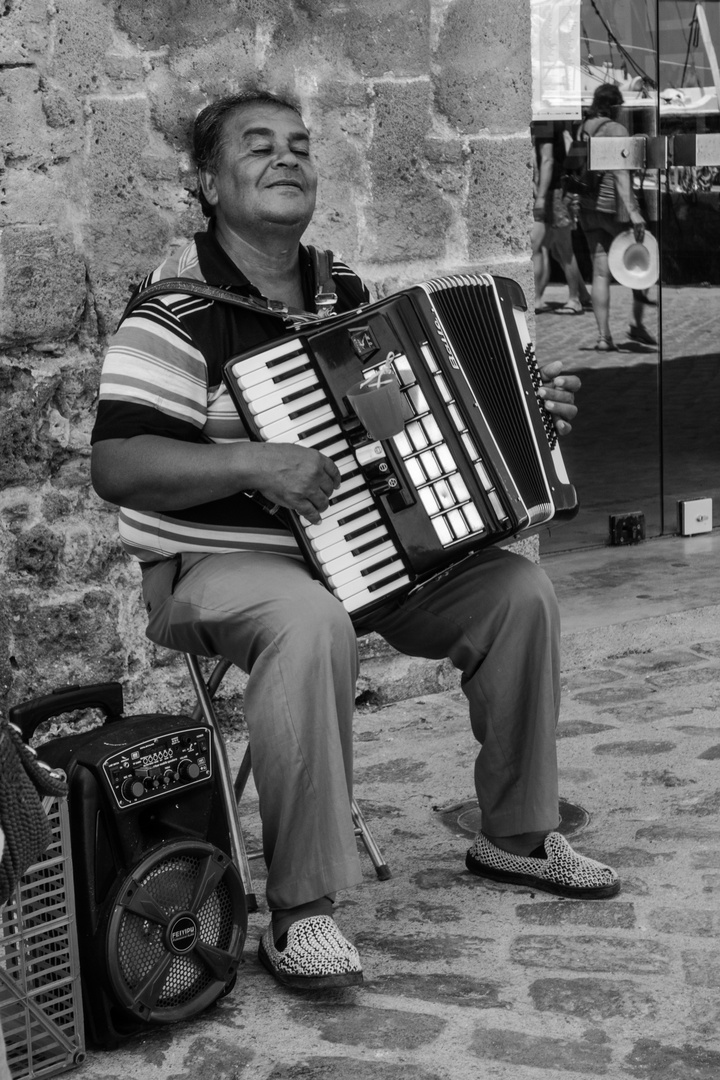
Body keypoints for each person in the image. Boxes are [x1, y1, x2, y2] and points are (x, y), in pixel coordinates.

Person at [90, 88, 620, 992]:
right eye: (256, 147)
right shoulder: (172, 315)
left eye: (298, 144)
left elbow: (411, 437)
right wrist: (256, 462)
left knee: (517, 593)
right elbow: (119, 463)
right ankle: (301, 912)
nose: (285, 157)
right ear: (206, 184)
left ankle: (518, 837)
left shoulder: (350, 300)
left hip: (369, 552)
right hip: (215, 569)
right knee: (308, 623)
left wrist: (525, 419)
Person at [576, 83, 656, 352]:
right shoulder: (617, 129)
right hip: (614, 208)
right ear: (615, 105)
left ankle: (603, 337)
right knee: (642, 260)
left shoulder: (583, 128)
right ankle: (636, 323)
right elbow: (621, 174)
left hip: (587, 208)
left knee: (600, 273)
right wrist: (634, 213)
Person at [532, 121, 592, 315]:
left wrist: (540, 197)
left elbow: (547, 160)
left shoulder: (545, 125)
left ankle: (574, 299)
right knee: (549, 248)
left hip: (554, 193)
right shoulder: (550, 124)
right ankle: (578, 295)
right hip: (554, 191)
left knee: (561, 249)